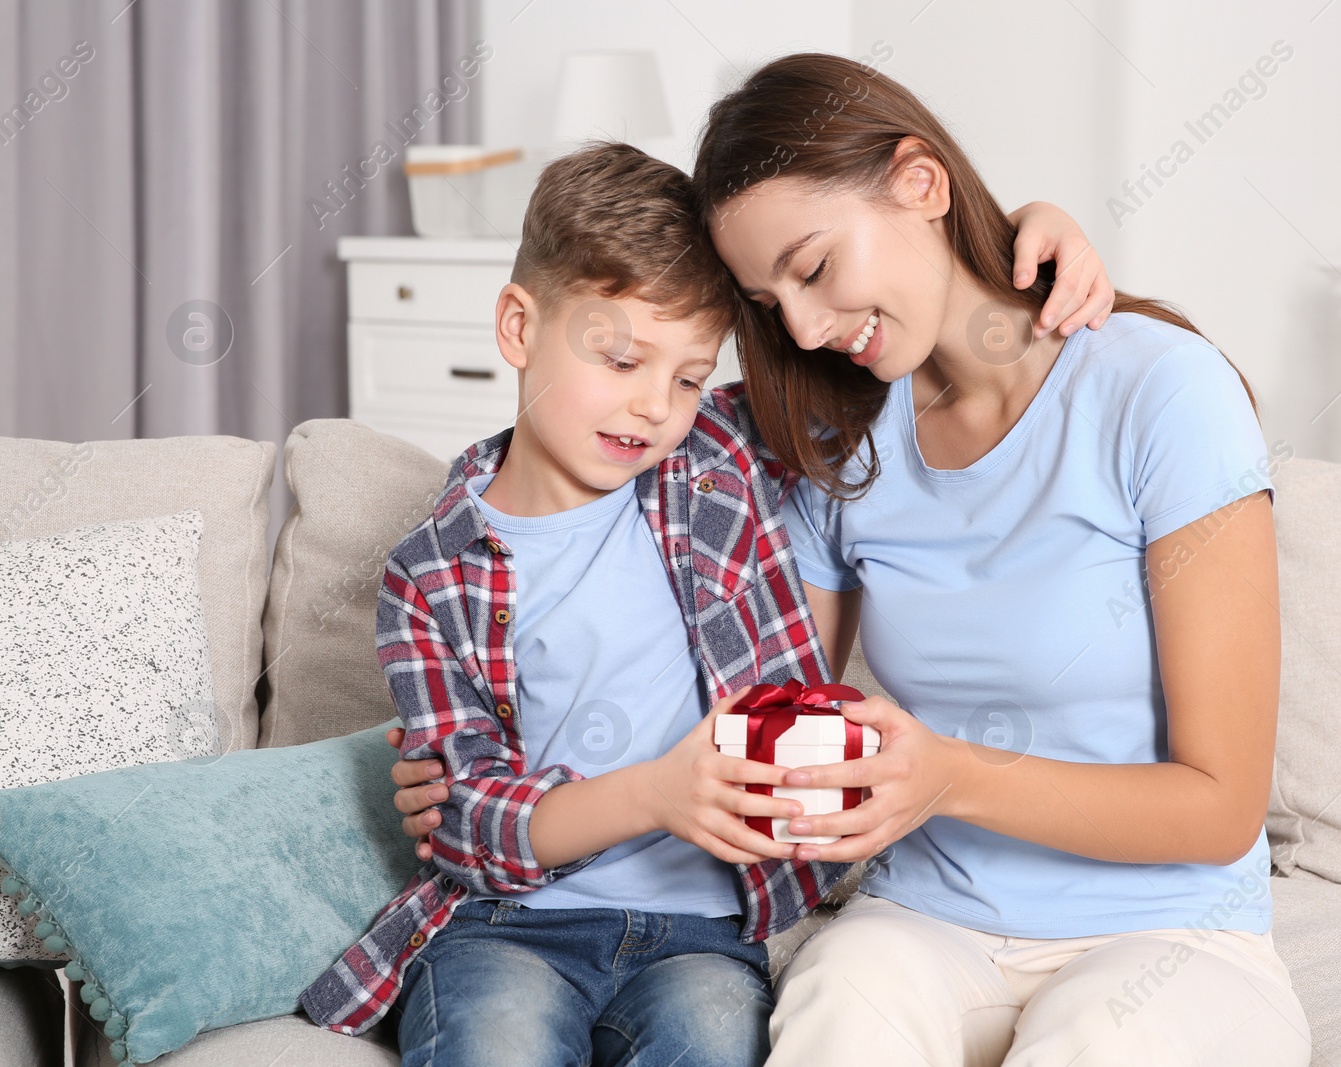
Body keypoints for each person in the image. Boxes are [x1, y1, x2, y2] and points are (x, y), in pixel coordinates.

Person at [305, 139, 1109, 1067]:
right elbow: (466, 821)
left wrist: (1023, 240)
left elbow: (881, 351)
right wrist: (655, 793)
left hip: (702, 930)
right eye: (620, 358)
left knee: (716, 1040)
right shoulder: (431, 574)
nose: (653, 406)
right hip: (509, 925)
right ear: (520, 328)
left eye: (687, 377)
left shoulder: (715, 461)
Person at [685, 52, 1314, 1066]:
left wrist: (946, 775)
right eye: (769, 302)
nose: (801, 325)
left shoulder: (1160, 393)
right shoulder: (841, 441)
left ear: (919, 182)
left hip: (1169, 936)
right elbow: (770, 712)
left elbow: (1220, 802)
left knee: (1098, 1037)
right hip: (927, 925)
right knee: (838, 1000)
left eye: (811, 268)